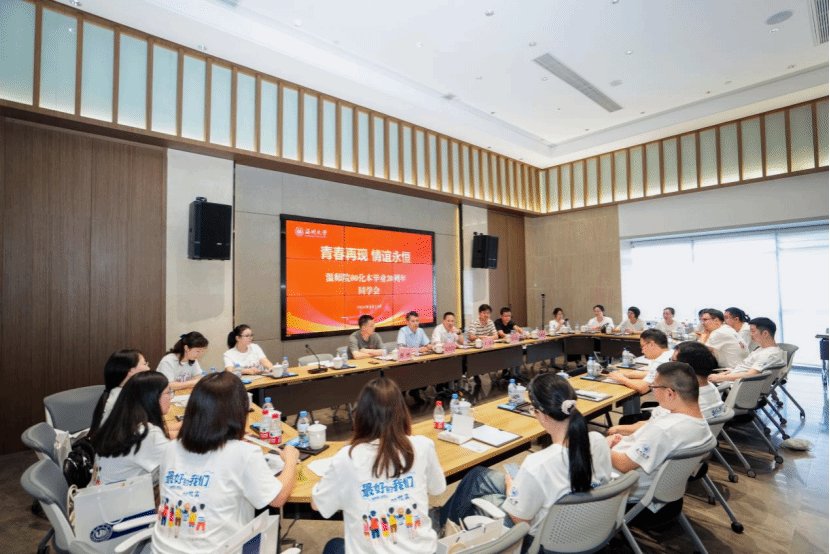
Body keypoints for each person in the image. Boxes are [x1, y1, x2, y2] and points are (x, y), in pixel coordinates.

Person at [440, 374, 613, 551]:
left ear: (542, 415)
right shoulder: (598, 440)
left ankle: (446, 538)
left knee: (484, 500)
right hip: (587, 527)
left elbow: (521, 520)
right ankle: (442, 521)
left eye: (533, 411)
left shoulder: (537, 463)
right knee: (478, 476)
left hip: (542, 541)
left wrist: (511, 490)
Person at [152, 372, 299, 553]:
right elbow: (278, 498)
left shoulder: (171, 448)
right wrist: (291, 460)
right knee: (266, 510)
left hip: (161, 550)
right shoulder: (244, 453)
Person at [312, 378, 446, 554]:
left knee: (333, 546)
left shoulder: (346, 458)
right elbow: (437, 489)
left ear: (360, 416)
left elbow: (318, 505)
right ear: (402, 412)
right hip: (425, 551)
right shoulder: (423, 446)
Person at [607, 362, 712, 517]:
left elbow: (623, 465)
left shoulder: (664, 429)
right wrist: (626, 441)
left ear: (670, 393)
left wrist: (599, 446)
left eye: (654, 387)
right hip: (663, 494)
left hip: (627, 494)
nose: (654, 392)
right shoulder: (701, 425)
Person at [608, 342, 723, 436]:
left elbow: (652, 428)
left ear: (685, 367)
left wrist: (616, 429)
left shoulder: (684, 401)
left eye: (672, 361)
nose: (670, 365)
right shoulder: (709, 388)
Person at [89, 371, 172, 486]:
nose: (171, 397)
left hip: (100, 492)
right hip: (121, 496)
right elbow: (180, 464)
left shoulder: (123, 420)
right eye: (168, 392)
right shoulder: (146, 433)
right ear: (153, 398)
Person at [709, 317, 786, 384]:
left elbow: (750, 375)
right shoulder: (762, 349)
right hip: (732, 378)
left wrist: (721, 378)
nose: (750, 334)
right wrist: (724, 374)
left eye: (753, 331)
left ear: (765, 333)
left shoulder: (768, 354)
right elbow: (744, 368)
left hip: (736, 384)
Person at [90, 349, 151, 433]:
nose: (148, 368)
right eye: (144, 364)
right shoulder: (122, 401)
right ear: (130, 371)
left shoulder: (124, 394)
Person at [607, 329, 673, 396]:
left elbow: (643, 388)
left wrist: (621, 378)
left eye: (642, 346)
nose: (642, 351)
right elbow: (652, 373)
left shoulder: (660, 362)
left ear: (651, 344)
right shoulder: (670, 354)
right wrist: (628, 374)